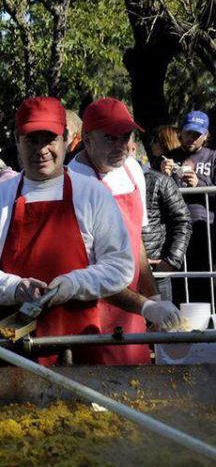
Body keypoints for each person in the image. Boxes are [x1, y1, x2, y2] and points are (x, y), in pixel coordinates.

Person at [0, 97, 141, 366]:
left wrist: (73, 284)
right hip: (13, 354)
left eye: (49, 139)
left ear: (66, 138)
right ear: (17, 140)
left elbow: (119, 266)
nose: (41, 149)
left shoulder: (91, 194)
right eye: (31, 140)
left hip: (80, 348)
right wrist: (14, 287)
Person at [69, 97, 182, 365]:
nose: (121, 147)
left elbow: (136, 242)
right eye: (110, 138)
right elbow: (89, 268)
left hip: (131, 305)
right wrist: (146, 305)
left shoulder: (132, 169)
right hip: (92, 310)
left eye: (125, 137)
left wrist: (153, 297)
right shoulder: (74, 183)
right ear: (87, 138)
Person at [160, 111, 216, 303]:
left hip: (204, 230)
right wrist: (163, 176)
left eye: (196, 135)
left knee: (202, 279)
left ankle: (205, 325)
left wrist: (198, 186)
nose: (191, 138)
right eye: (188, 133)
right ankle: (179, 327)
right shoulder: (169, 157)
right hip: (174, 229)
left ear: (206, 135)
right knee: (177, 281)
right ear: (181, 132)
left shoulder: (212, 157)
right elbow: (155, 194)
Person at [141, 152, 192, 302]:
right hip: (118, 272)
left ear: (132, 149)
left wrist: (170, 261)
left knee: (162, 323)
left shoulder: (159, 181)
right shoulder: (102, 181)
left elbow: (183, 221)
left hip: (155, 271)